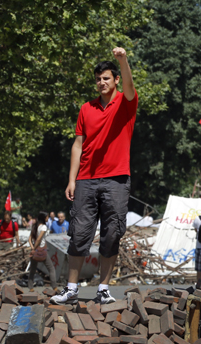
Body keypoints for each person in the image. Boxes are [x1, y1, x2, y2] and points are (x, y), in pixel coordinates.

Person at [51, 48, 137, 306]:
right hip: (86, 179)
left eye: (106, 78)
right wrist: (71, 179)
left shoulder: (125, 102)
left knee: (112, 234)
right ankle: (71, 289)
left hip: (117, 179)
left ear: (115, 80)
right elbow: (78, 145)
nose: (101, 82)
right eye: (98, 79)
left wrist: (123, 60)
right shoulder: (86, 108)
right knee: (79, 234)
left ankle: (102, 288)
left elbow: (130, 85)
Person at [27, 211, 57, 291]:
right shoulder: (44, 227)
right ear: (44, 218)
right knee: (51, 268)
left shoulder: (35, 226)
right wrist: (34, 249)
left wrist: (32, 248)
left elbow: (29, 239)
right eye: (47, 217)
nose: (48, 218)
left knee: (32, 269)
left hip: (34, 249)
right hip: (41, 250)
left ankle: (30, 287)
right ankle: (54, 287)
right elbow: (39, 239)